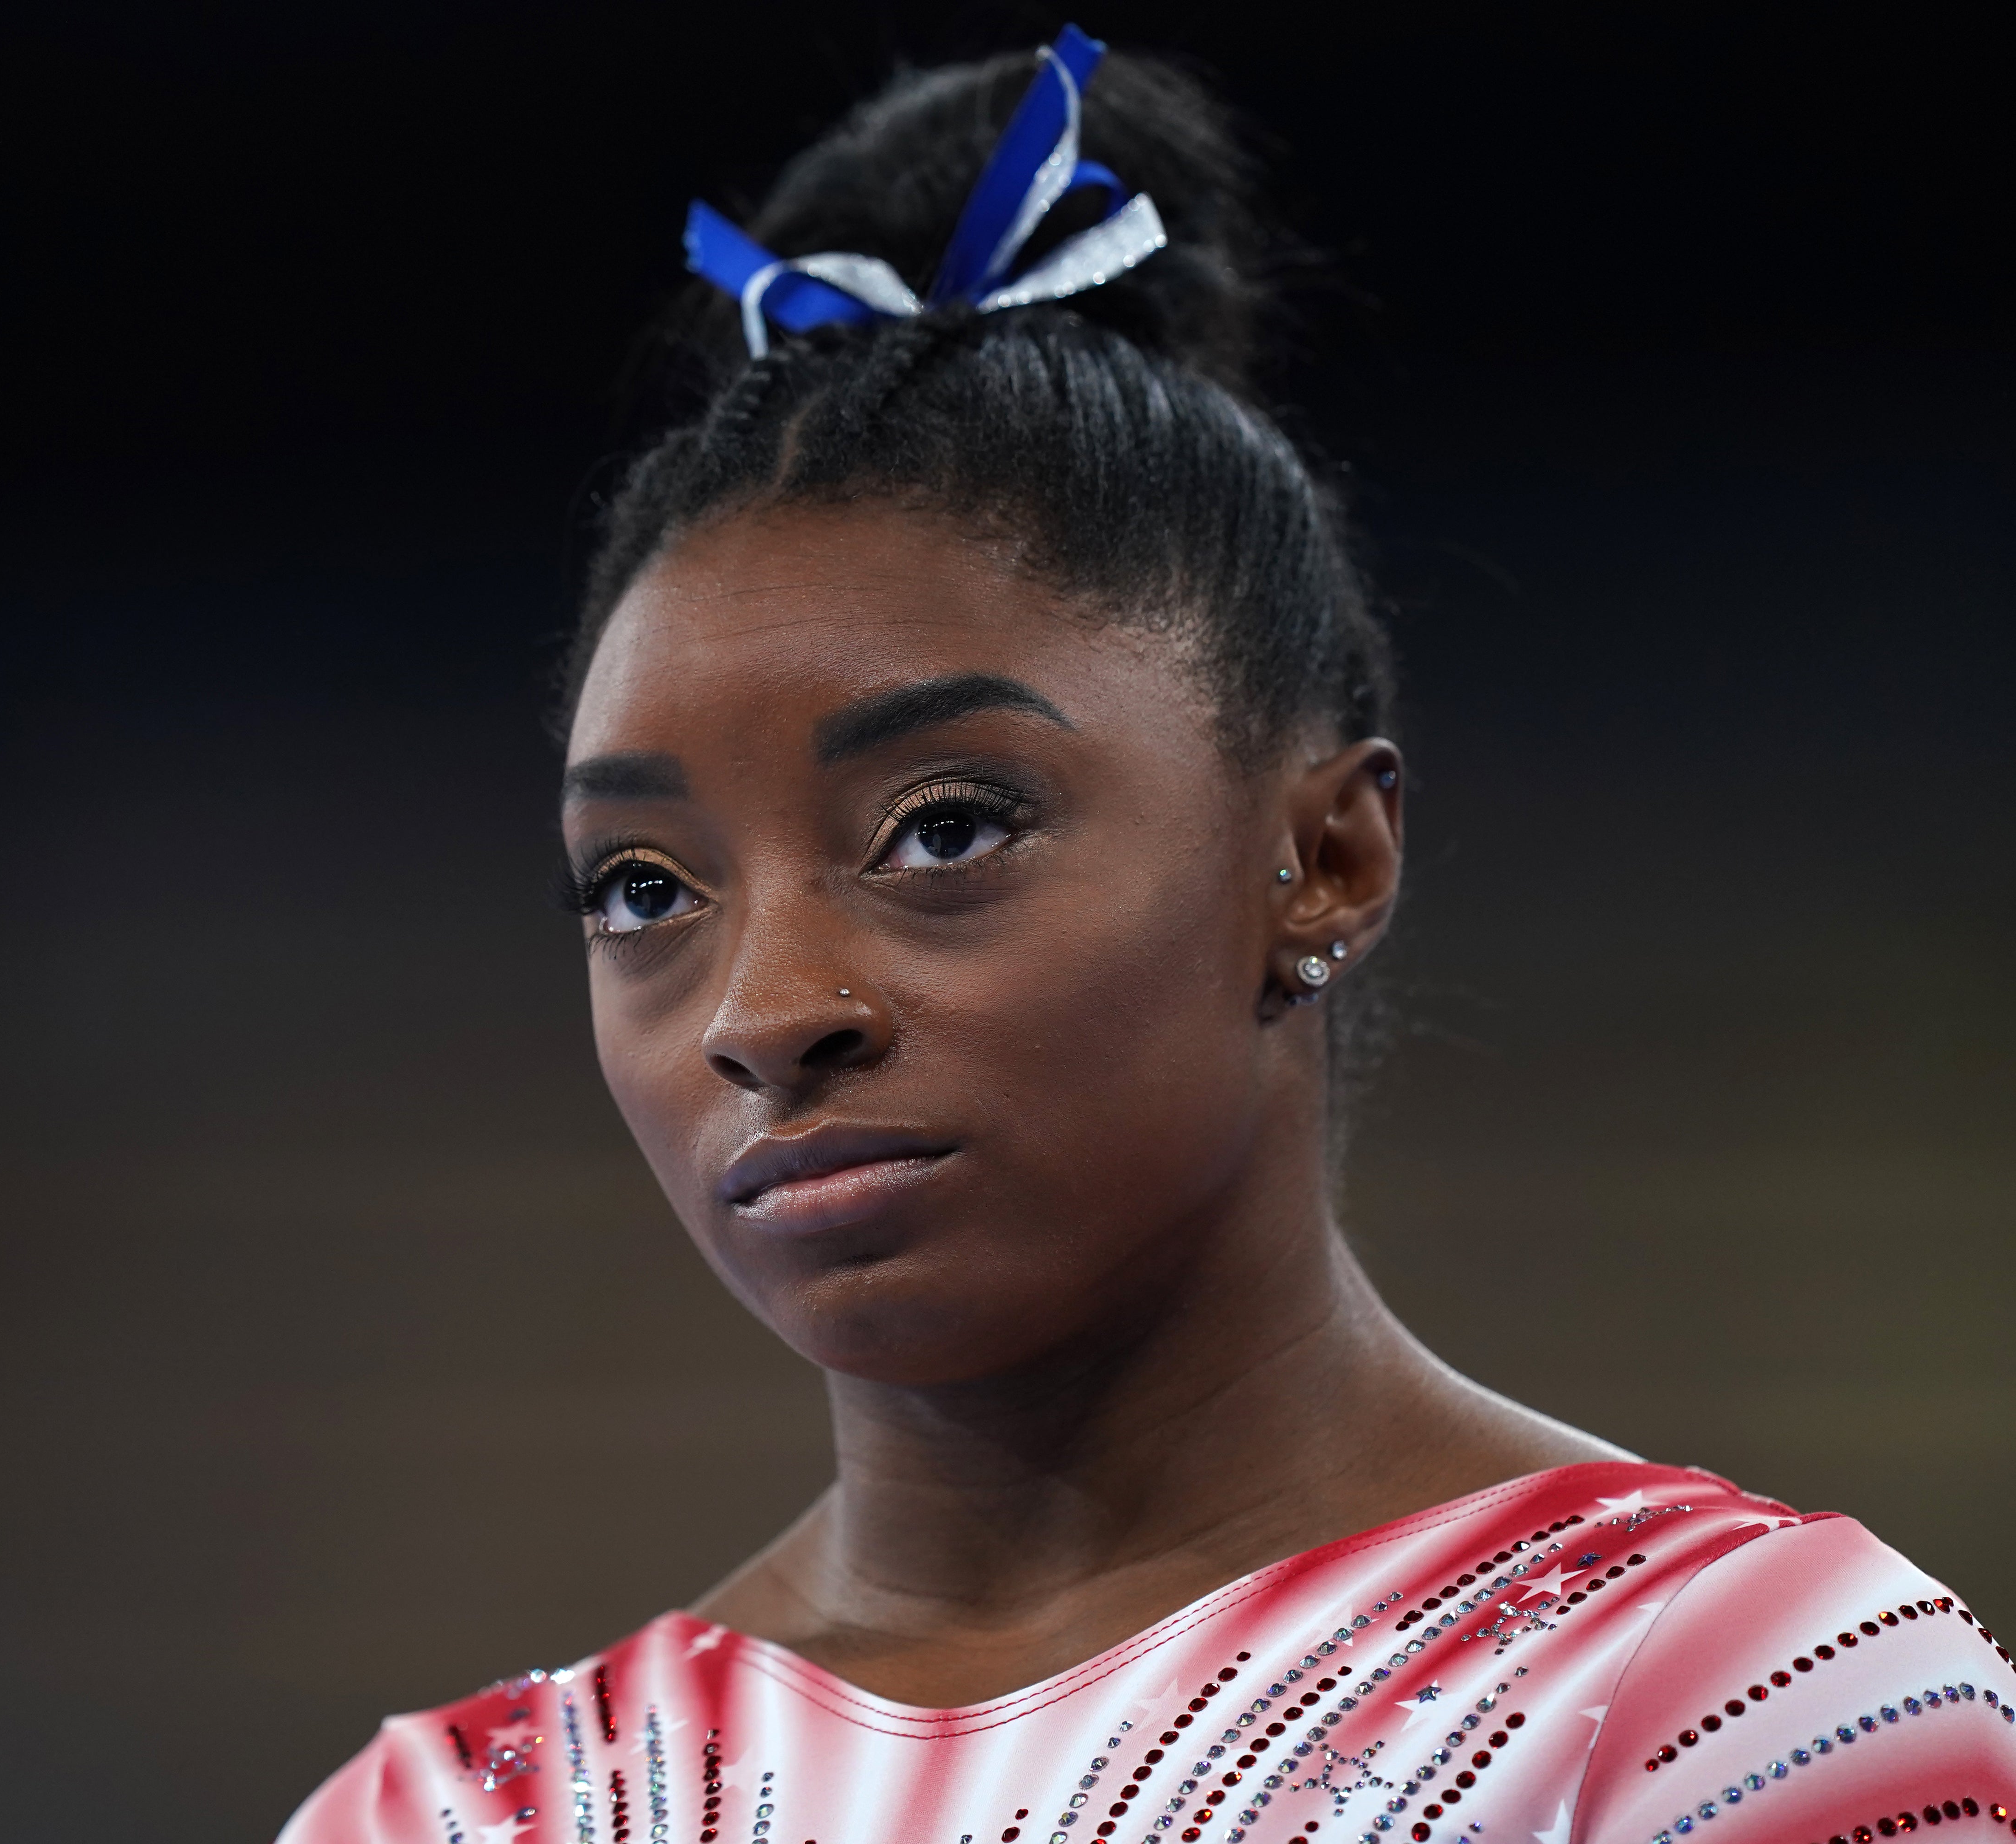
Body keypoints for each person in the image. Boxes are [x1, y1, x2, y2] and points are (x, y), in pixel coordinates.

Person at [280, 28, 2016, 1844]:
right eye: (644, 887)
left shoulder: (1726, 1689)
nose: (766, 1011)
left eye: (945, 830)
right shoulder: (460, 1813)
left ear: (1325, 855)